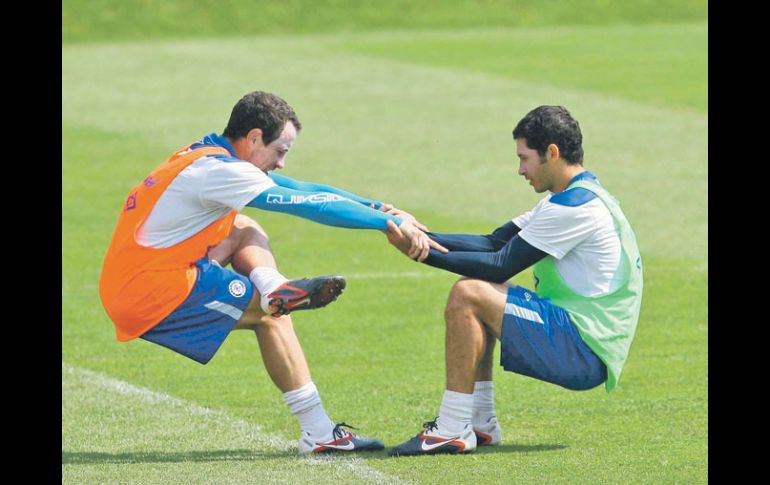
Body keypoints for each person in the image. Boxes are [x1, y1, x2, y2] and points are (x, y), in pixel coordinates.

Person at [98, 91, 444, 454]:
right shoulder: (222, 173)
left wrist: (378, 207)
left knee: (242, 226)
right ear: (253, 138)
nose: (281, 163)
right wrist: (386, 223)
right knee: (273, 317)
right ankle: (320, 433)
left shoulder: (204, 155)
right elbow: (309, 205)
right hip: (150, 291)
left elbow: (302, 187)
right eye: (280, 151)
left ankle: (273, 286)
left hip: (132, 277)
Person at [384, 105, 643, 456]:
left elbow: (499, 265)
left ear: (552, 153)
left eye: (525, 158)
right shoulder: (573, 197)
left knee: (470, 292)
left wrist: (420, 252)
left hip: (583, 351)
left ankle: (452, 428)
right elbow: (493, 242)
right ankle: (480, 424)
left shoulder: (575, 208)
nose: (520, 169)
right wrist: (417, 231)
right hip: (580, 338)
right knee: (482, 294)